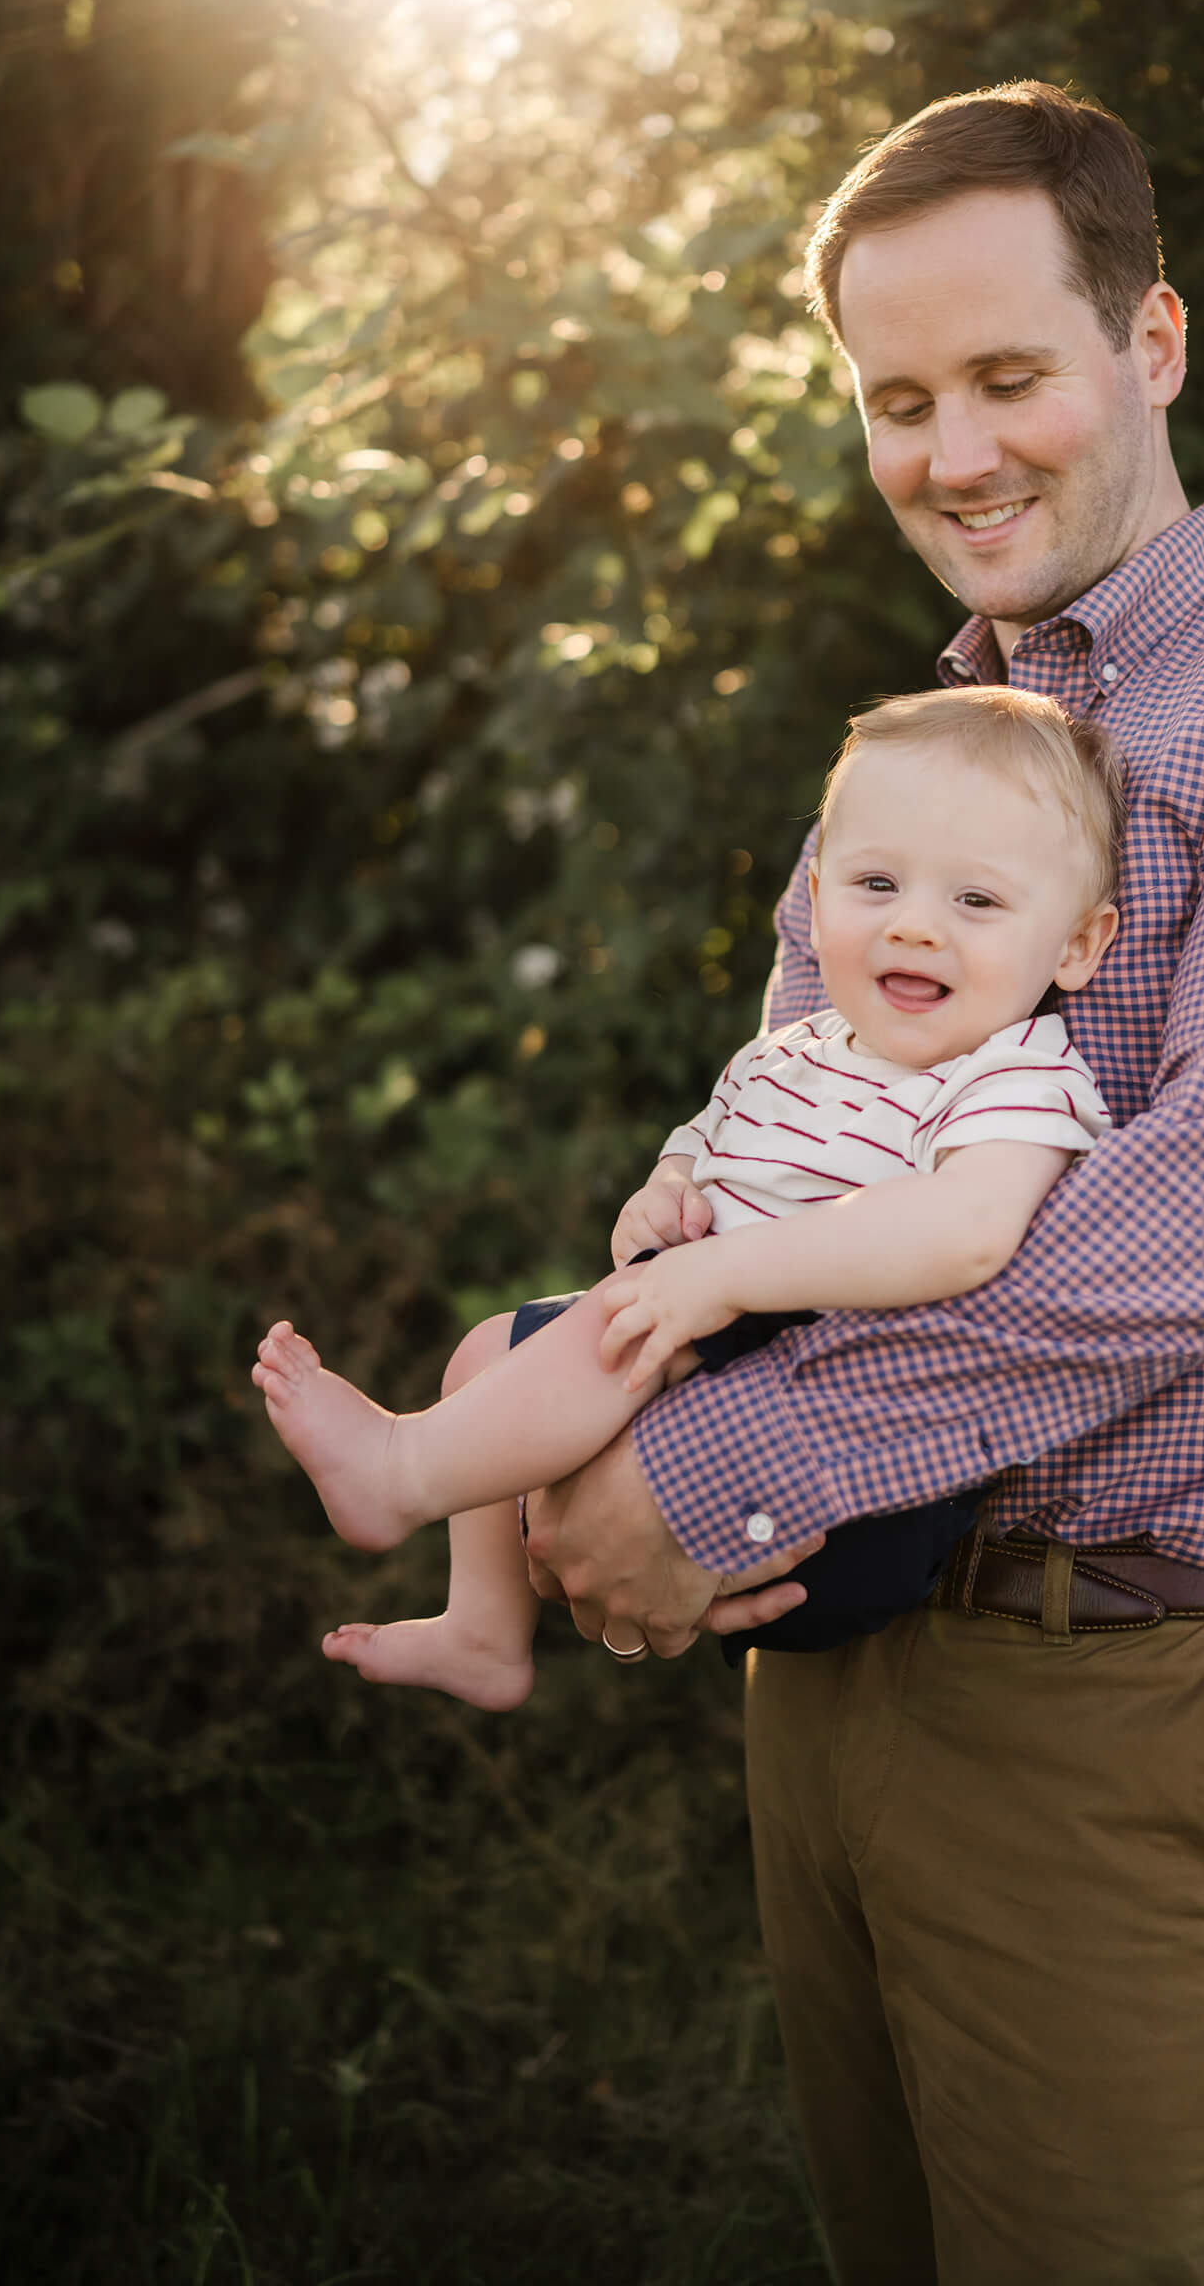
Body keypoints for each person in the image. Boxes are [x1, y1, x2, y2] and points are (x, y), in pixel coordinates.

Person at [520, 81, 1204, 2286]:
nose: (952, 450)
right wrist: (632, 1311)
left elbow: (1202, 1230)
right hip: (839, 1660)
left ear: (1149, 344)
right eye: (898, 399)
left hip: (1147, 1715)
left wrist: (711, 1467)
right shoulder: (916, 762)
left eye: (1007, 375)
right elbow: (806, 1124)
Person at [254, 684, 1122, 1709]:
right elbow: (701, 1155)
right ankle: (483, 1632)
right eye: (877, 883)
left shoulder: (1017, 1070)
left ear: (1075, 945)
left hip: (854, 1474)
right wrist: (667, 1199)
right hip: (727, 1362)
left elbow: (971, 1231)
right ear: (815, 899)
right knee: (489, 1350)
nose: (916, 928)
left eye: (975, 901)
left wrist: (715, 1270)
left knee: (625, 1319)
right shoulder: (795, 1053)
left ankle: (397, 1472)